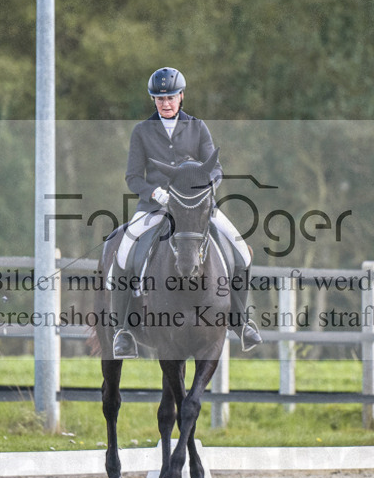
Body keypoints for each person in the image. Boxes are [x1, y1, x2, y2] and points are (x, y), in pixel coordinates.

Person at [109, 66, 262, 359]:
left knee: (242, 251)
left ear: (181, 96)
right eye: (159, 98)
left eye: (170, 97)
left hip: (197, 208)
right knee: (124, 252)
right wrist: (156, 193)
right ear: (153, 100)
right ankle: (123, 331)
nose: (165, 103)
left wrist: (207, 186)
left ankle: (241, 322)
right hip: (156, 207)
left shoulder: (198, 127)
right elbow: (133, 177)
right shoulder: (142, 132)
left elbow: (214, 168)